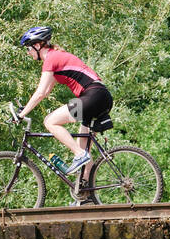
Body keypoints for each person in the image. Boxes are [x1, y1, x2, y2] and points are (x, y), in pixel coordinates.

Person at [15, 26, 113, 178]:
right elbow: (46, 91)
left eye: (28, 49)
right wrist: (26, 109)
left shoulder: (51, 59)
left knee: (50, 121)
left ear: (37, 45)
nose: (28, 53)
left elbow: (40, 93)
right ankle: (85, 196)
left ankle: (79, 154)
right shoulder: (56, 57)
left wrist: (21, 114)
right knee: (85, 154)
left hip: (93, 96)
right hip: (100, 96)